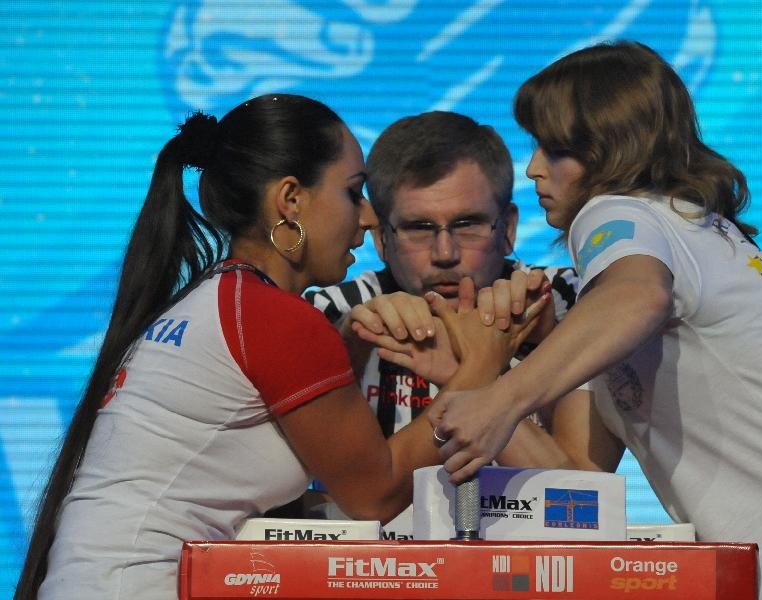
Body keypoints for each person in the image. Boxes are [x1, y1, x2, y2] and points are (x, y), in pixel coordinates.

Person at [15, 94, 544, 600]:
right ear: (291, 200)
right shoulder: (271, 317)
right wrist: (482, 365)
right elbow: (376, 494)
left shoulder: (219, 300)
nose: (366, 218)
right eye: (353, 192)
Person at [429, 41, 762, 600]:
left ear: (608, 150)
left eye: (552, 149)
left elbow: (638, 299)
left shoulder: (621, 213)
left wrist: (504, 399)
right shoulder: (661, 253)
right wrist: (477, 378)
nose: (532, 168)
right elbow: (579, 479)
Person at [303, 110, 619, 475]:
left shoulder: (568, 299)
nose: (445, 254)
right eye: (419, 228)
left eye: (467, 225)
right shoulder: (331, 311)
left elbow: (583, 500)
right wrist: (349, 352)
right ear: (381, 239)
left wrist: (533, 346)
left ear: (508, 229)